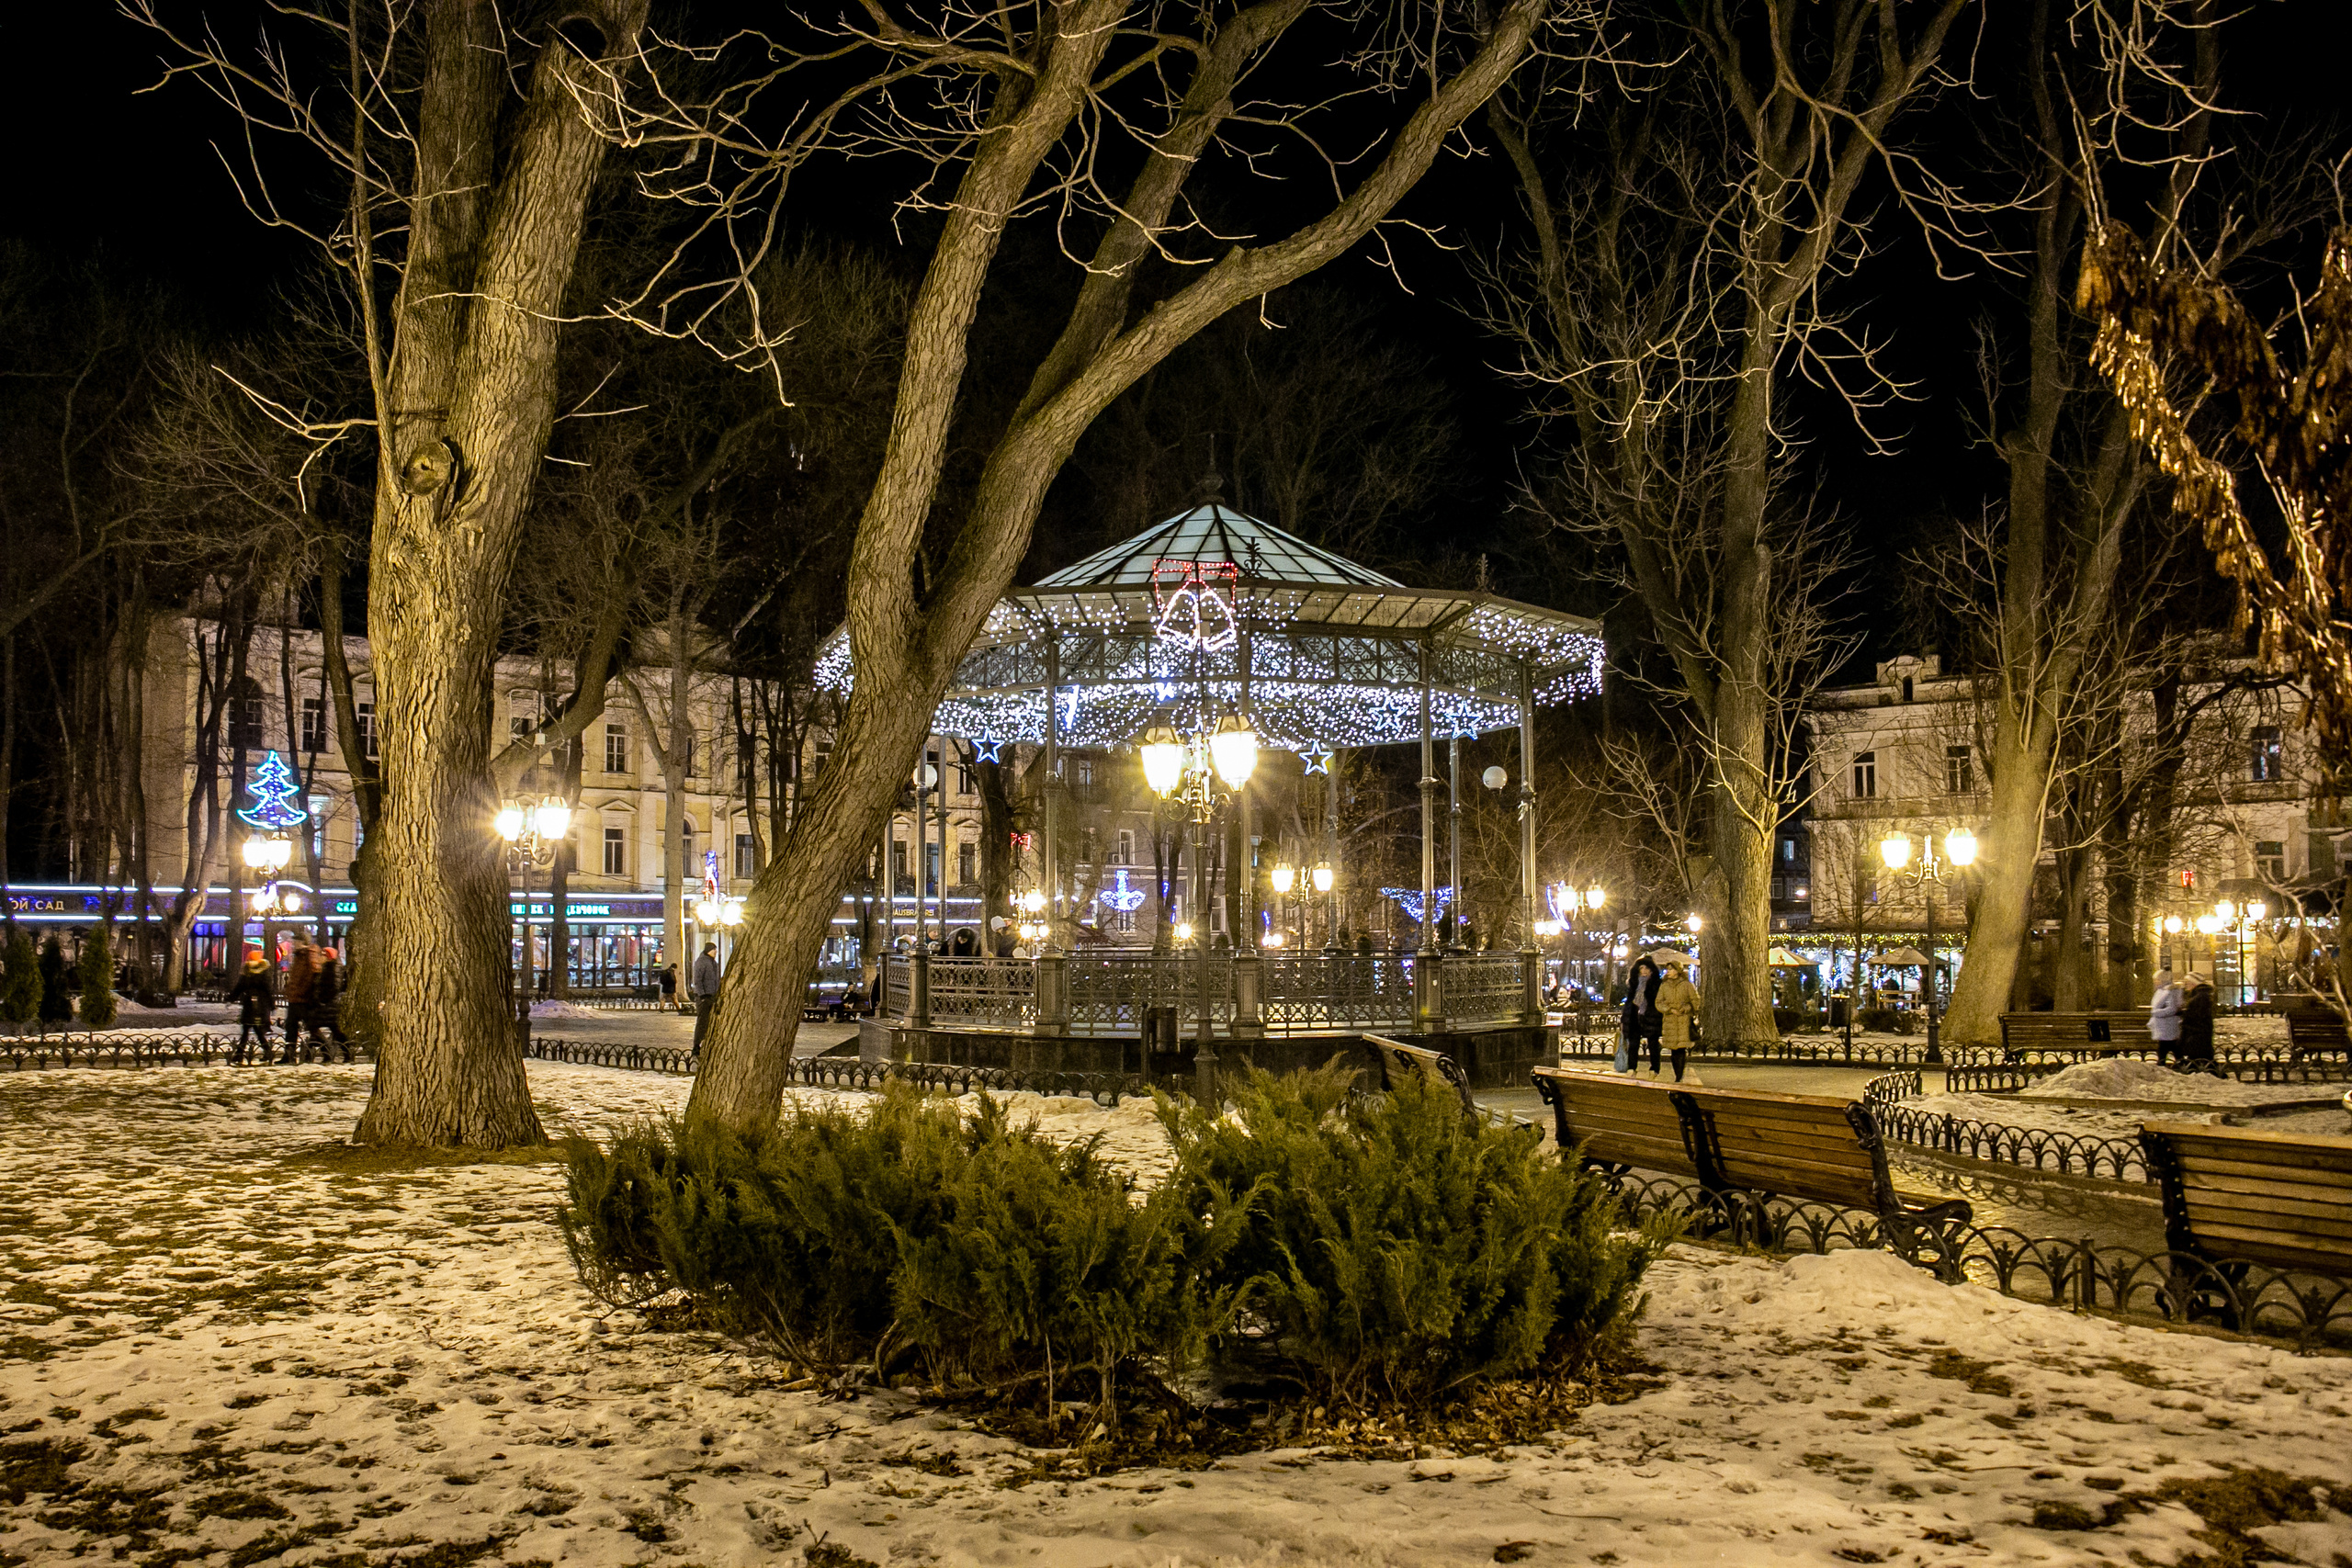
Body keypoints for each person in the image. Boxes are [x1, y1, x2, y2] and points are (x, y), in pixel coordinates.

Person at [1656, 961, 1702, 1083]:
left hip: (1683, 1021)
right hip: (1670, 1021)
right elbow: (1658, 1002)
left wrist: (1687, 1008)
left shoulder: (1687, 985)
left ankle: (1679, 1076)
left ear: (1677, 970)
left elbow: (1695, 1001)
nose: (1668, 972)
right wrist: (1669, 1009)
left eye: (1671, 969)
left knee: (1681, 1049)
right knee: (1673, 1050)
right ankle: (1677, 1073)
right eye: (1667, 970)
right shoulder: (1664, 986)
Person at [227, 953, 276, 1066]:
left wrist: (230, 998)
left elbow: (240, 987)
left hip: (253, 1004)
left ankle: (240, 1055)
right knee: (253, 1030)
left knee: (250, 1030)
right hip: (257, 1005)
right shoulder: (261, 972)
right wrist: (272, 1005)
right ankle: (265, 1052)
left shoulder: (247, 972)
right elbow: (268, 989)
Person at [309, 948, 354, 1063]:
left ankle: (330, 1052)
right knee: (334, 1030)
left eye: (323, 955)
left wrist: (322, 1000)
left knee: (318, 1028)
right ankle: (343, 1053)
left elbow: (332, 987)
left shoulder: (331, 968)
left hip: (327, 1005)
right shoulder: (327, 968)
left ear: (328, 957)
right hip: (327, 1004)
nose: (320, 957)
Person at [1619, 956, 1662, 1075]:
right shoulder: (1633, 983)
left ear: (1651, 970)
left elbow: (1657, 1000)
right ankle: (1632, 1067)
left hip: (1650, 1015)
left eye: (1646, 968)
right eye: (1641, 968)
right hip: (1634, 1016)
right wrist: (1624, 1018)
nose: (1643, 970)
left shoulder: (1656, 983)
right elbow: (1629, 1002)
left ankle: (1654, 1068)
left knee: (1653, 1043)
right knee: (1633, 1043)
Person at [281, 943, 319, 1065]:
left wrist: (301, 992)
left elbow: (309, 977)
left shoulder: (307, 956)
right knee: (291, 1027)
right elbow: (295, 977)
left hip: (302, 999)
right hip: (295, 998)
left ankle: (328, 1050)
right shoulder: (298, 956)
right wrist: (290, 989)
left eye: (295, 941)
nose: (293, 944)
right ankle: (288, 1055)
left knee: (312, 1028)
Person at [2178, 972, 2218, 1075]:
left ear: (2194, 983)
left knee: (2200, 1062)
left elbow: (2199, 1016)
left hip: (2197, 1036)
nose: (2185, 984)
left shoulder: (2200, 997)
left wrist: (2186, 1018)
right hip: (2198, 1035)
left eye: (2187, 982)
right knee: (2202, 1062)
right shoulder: (2199, 996)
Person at [690, 942, 722, 1053]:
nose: (716, 952)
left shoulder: (713, 963)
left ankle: (707, 1042)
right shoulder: (702, 962)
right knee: (702, 1021)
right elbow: (698, 980)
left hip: (712, 995)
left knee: (710, 1020)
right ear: (709, 950)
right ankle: (696, 1044)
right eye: (714, 949)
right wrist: (702, 995)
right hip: (704, 996)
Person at [2147, 969, 2183, 1066]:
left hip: (2168, 1025)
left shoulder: (2170, 991)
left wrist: (2156, 1013)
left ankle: (2168, 1065)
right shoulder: (2161, 991)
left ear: (2163, 980)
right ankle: (2179, 1064)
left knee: (2166, 1046)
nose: (2155, 982)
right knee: (2168, 1046)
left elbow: (2172, 1009)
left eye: (2157, 980)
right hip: (2163, 1026)